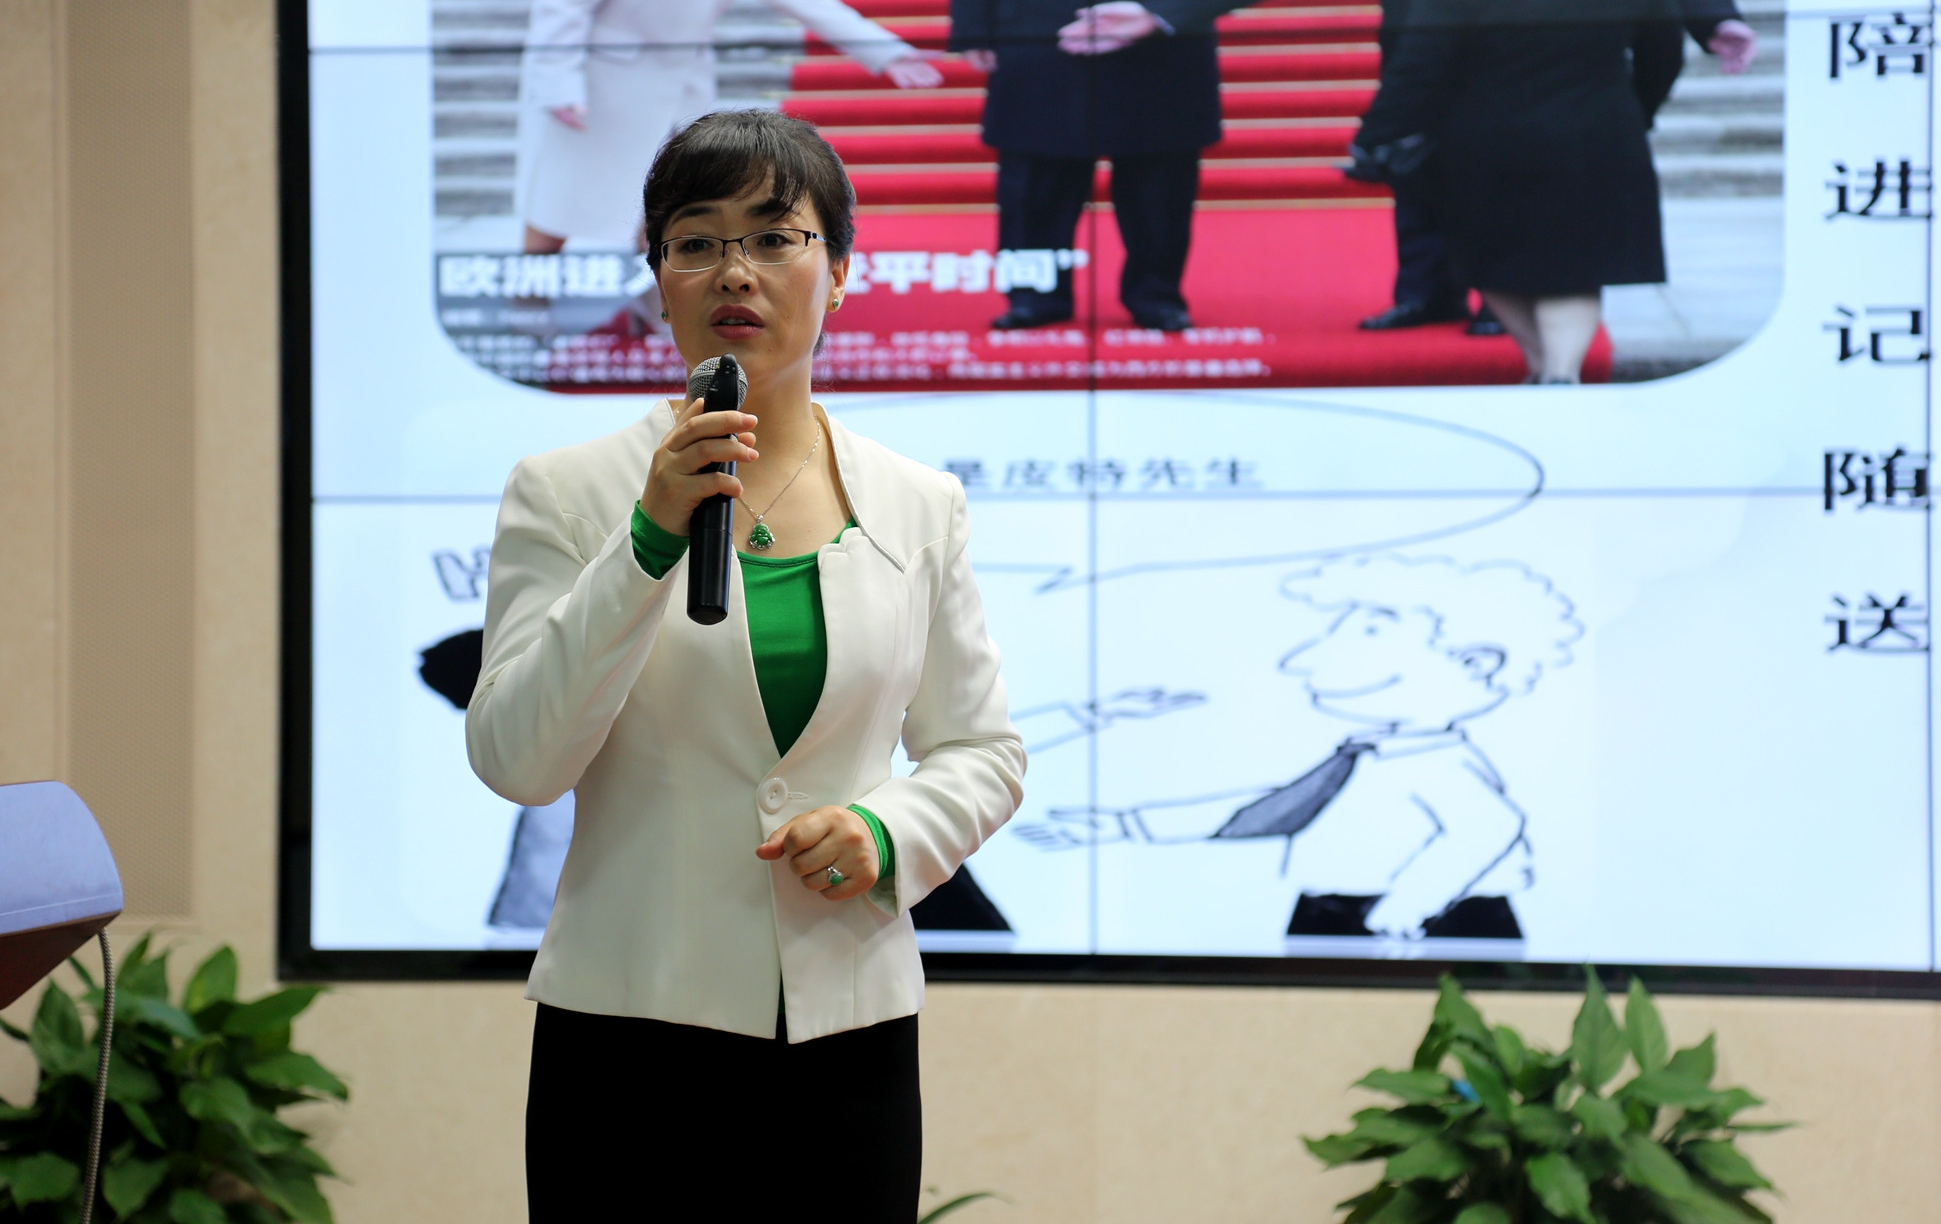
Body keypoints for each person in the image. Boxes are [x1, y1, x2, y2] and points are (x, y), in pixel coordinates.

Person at [468, 109, 1026, 1216]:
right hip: (625, 1035)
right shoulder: (565, 491)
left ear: (840, 271)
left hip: (847, 1036)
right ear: (658, 280)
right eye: (696, 241)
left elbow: (982, 751)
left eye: (775, 237)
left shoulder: (921, 503)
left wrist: (885, 831)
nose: (735, 270)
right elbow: (518, 758)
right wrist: (645, 542)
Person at [1057, 0, 1753, 335]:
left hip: (1534, 64)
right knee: (1421, 176)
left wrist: (1714, 19)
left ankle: (1503, 299)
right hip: (1426, 61)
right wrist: (1162, 14)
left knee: (1515, 186)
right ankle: (1428, 294)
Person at [1016, 554, 1582, 943]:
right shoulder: (1365, 757)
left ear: (1474, 662)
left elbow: (1487, 827)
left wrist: (1407, 908)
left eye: (1370, 633)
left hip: (1430, 923)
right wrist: (1130, 825)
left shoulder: (1438, 764)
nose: (1305, 660)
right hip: (1333, 913)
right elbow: (1278, 807)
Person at [1351, 0, 1685, 383]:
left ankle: (1541, 368)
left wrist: (1375, 136)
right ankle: (1561, 372)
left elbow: (1416, 74)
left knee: (1493, 263)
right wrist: (1634, 113)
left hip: (1486, 146)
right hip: (1597, 138)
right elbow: (1665, 56)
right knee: (1577, 267)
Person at [516, 0, 943, 254]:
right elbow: (564, 5)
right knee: (558, 203)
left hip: (684, 87)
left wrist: (885, 51)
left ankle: (657, 304)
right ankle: (528, 302)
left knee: (669, 205)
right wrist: (558, 82)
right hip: (595, 89)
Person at [948, 0, 1268, 332]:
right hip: (1038, 40)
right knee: (1034, 185)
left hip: (1159, 45)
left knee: (1159, 185)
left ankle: (1155, 295)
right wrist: (972, 29)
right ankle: (1033, 296)